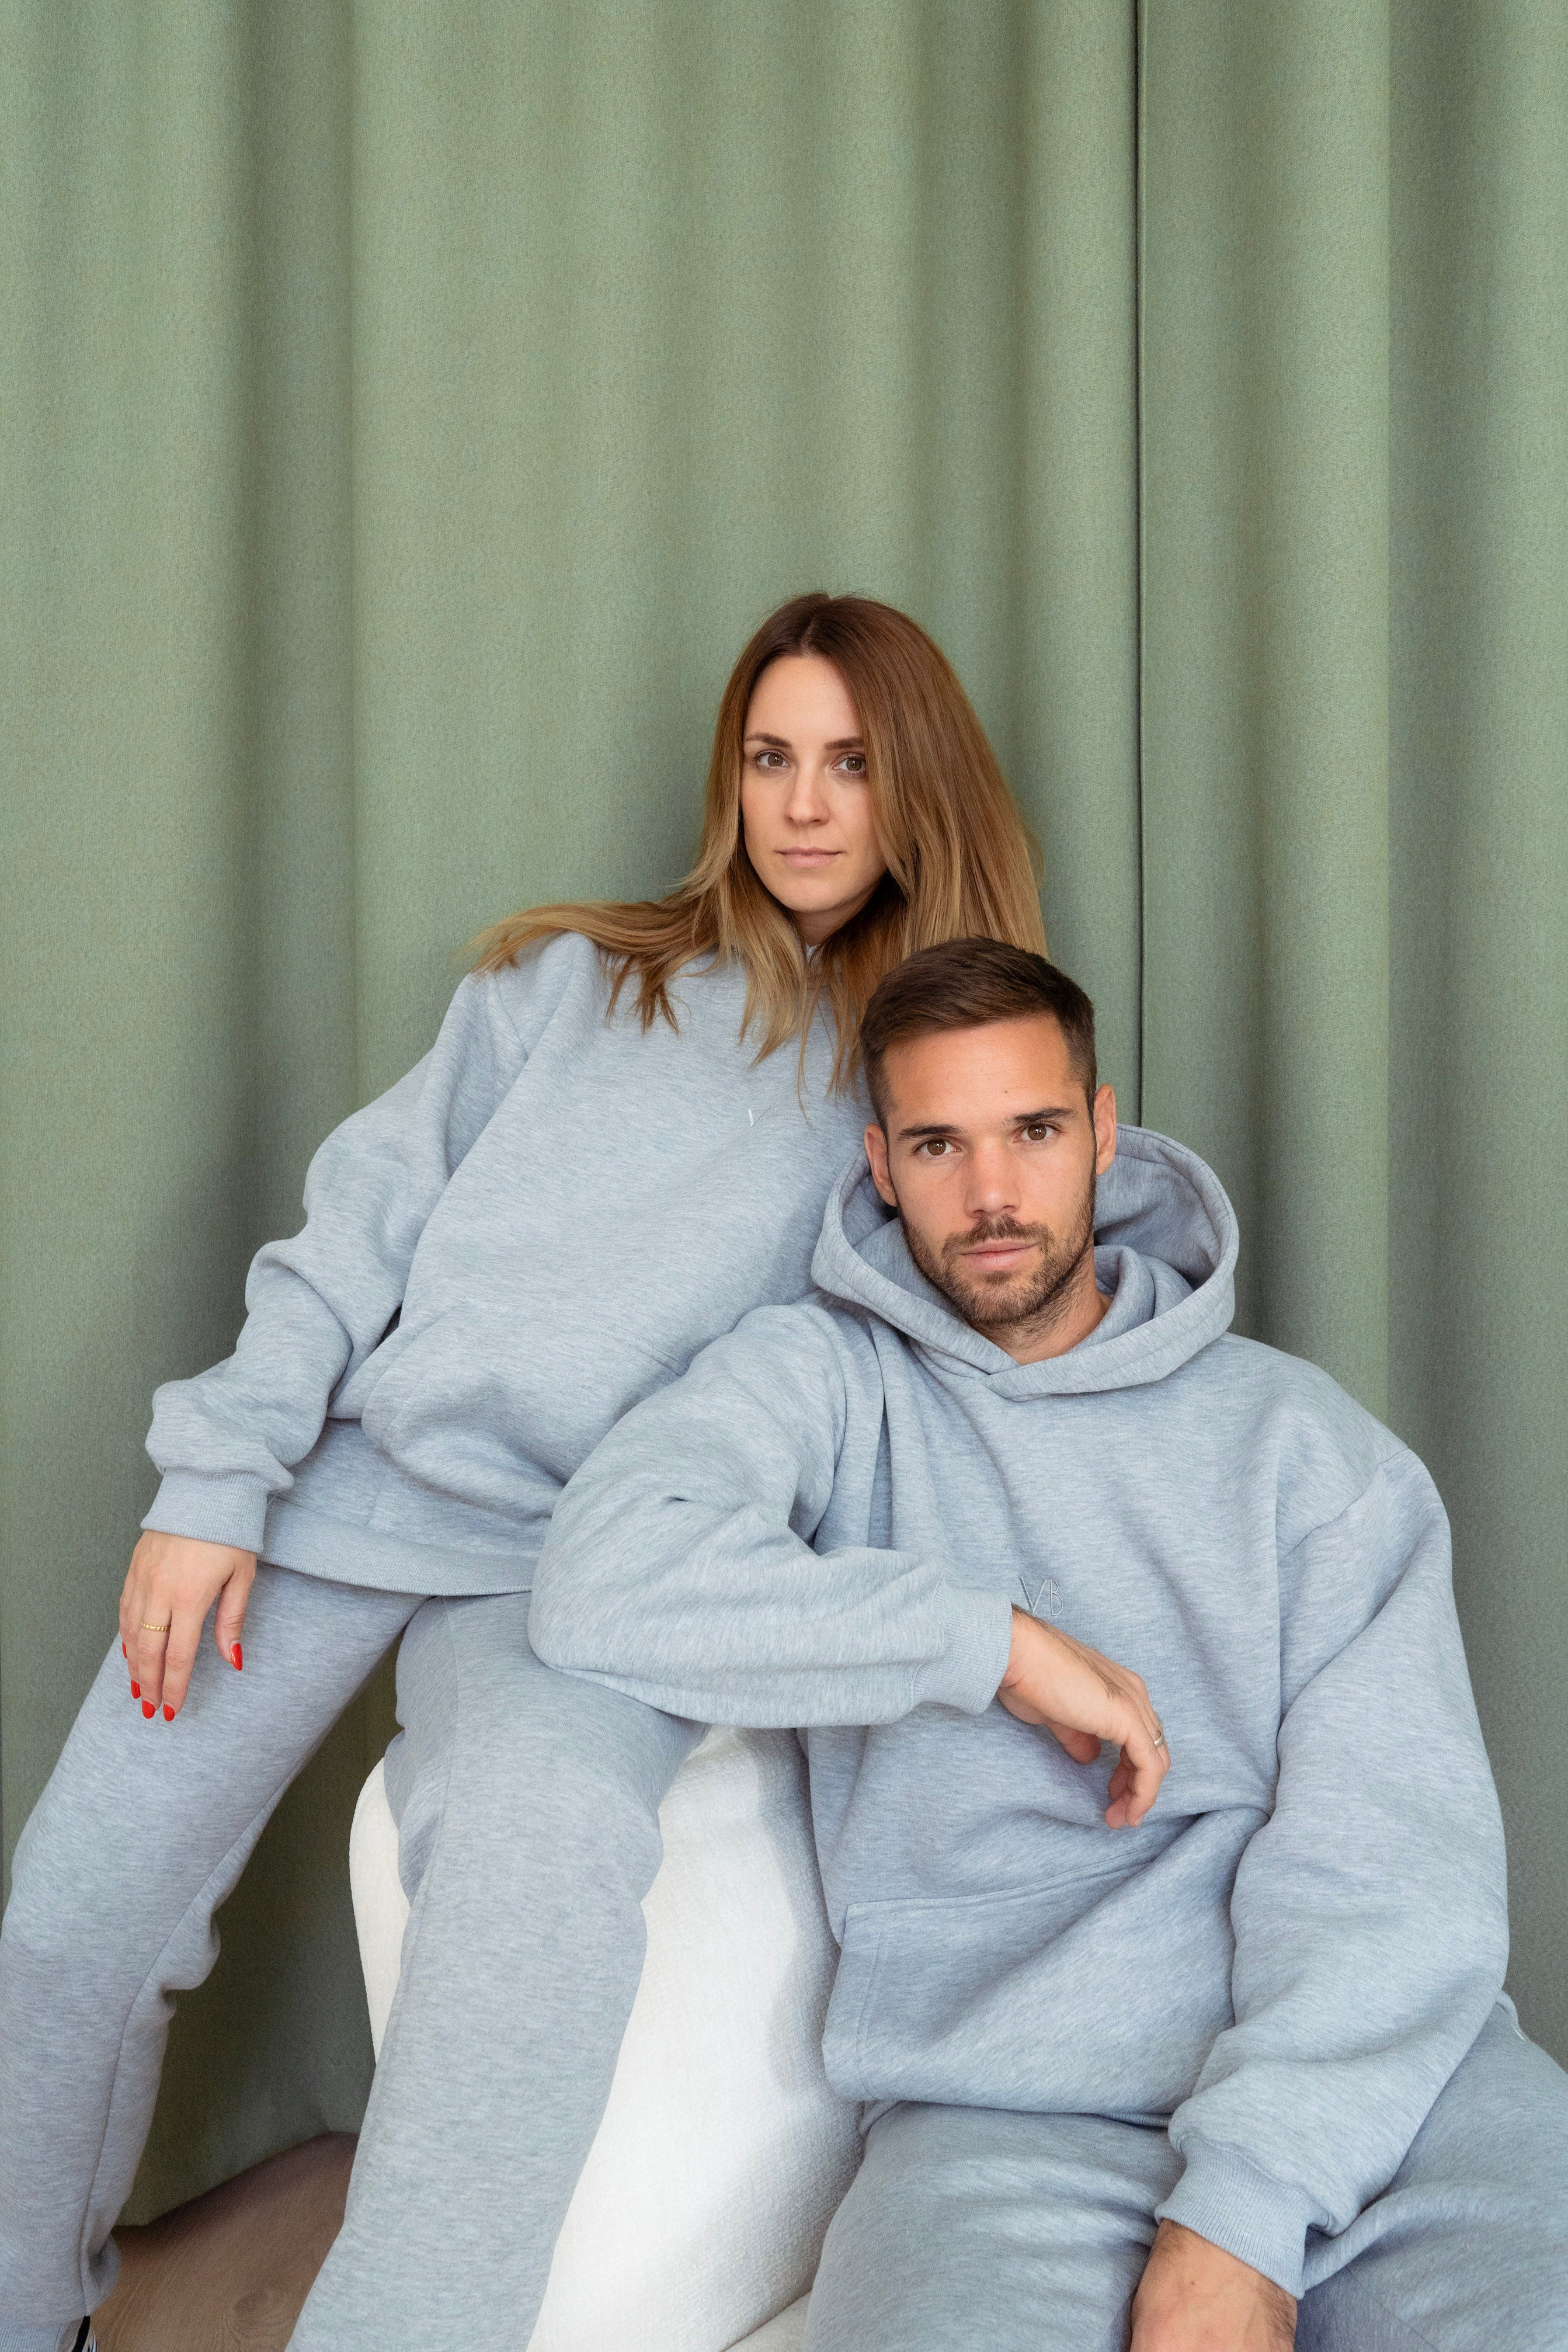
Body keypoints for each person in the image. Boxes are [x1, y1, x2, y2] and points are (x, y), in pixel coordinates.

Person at [0, 598, 1052, 2352]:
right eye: (769, 757)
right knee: (73, 1916)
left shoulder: (919, 1097)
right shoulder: (569, 982)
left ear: (918, 787)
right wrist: (215, 1475)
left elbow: (1004, 1271)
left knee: (527, 1899)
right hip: (343, 1493)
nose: (801, 804)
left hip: (580, 1586)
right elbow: (356, 1228)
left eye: (850, 764)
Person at [529, 936, 1568, 2352]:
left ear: (1100, 1130)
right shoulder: (821, 1382)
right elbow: (599, 1575)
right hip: (998, 2121)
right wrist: (987, 1643)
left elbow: (1394, 1865)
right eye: (937, 1145)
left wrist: (1240, 2217)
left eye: (1030, 1131)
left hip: (1382, 2095)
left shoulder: (1304, 1448)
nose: (991, 1193)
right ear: (879, 1165)